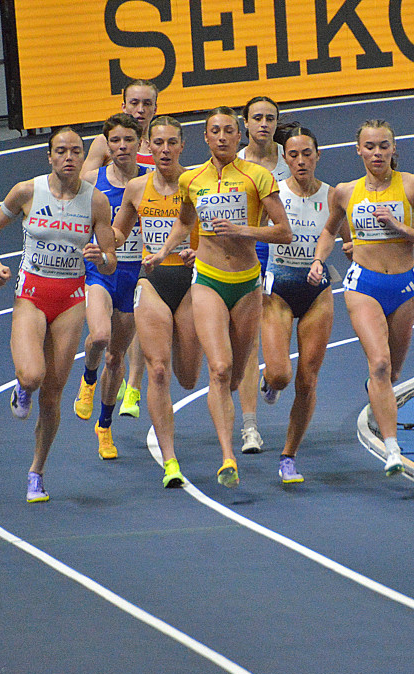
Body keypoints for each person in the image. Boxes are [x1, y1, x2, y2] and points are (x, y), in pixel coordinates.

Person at [144, 106, 291, 488]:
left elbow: (284, 231)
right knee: (220, 368)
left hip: (246, 284)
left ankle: (233, 432)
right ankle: (228, 456)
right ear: (206, 138)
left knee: (238, 370)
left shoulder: (257, 176)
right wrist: (164, 252)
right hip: (207, 281)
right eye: (215, 131)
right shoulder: (192, 180)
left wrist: (244, 230)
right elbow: (185, 221)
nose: (223, 136)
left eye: (229, 130)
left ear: (239, 136)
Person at [0, 126, 117, 502]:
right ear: (50, 156)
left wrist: (100, 258)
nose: (70, 157)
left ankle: (36, 472)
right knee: (32, 375)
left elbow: (110, 262)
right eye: (61, 151)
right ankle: (21, 387)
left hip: (71, 299)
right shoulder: (27, 191)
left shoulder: (96, 202)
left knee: (53, 396)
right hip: (31, 294)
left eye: (76, 150)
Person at [309, 119, 414, 476]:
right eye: (370, 146)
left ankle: (376, 390)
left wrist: (399, 228)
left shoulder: (413, 186)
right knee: (379, 363)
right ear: (358, 150)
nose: (377, 153)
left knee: (393, 371)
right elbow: (328, 230)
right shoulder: (345, 191)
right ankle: (392, 448)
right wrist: (320, 259)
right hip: (362, 286)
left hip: (403, 287)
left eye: (384, 146)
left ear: (394, 149)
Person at [111, 115, 203, 488]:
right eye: (158, 143)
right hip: (152, 280)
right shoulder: (136, 187)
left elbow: (210, 227)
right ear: (148, 146)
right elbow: (119, 230)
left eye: (172, 143)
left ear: (182, 147)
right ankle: (170, 462)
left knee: (187, 377)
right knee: (159, 370)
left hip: (193, 282)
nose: (165, 150)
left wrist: (202, 249)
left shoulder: (196, 184)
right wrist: (104, 244)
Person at [259, 126, 338, 484]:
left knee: (307, 380)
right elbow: (254, 235)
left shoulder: (334, 197)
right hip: (278, 291)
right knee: (280, 374)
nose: (301, 161)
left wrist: (335, 263)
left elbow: (347, 239)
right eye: (293, 155)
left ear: (318, 155)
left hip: (317, 292)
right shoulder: (273, 195)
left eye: (307, 153)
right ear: (285, 159)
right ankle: (268, 381)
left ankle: (288, 456)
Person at [84, 78, 161, 417]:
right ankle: (89, 381)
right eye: (134, 103)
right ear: (123, 104)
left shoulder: (160, 148)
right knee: (101, 336)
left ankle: (131, 389)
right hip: (104, 261)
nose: (140, 110)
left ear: (156, 108)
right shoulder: (105, 143)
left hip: (139, 261)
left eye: (147, 104)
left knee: (131, 338)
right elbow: (79, 192)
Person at [72, 114, 146, 460]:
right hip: (99, 269)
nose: (121, 147)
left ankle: (104, 426)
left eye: (128, 140)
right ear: (106, 143)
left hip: (136, 273)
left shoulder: (151, 182)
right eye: (114, 141)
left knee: (116, 357)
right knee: (99, 337)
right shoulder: (90, 180)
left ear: (137, 142)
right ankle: (87, 380)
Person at [235, 96, 292, 455]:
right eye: (256, 118)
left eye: (269, 118)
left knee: (280, 366)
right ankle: (250, 428)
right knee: (247, 343)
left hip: (287, 257)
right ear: (245, 124)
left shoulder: (293, 157)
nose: (263, 124)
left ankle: (272, 379)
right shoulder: (235, 163)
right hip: (250, 254)